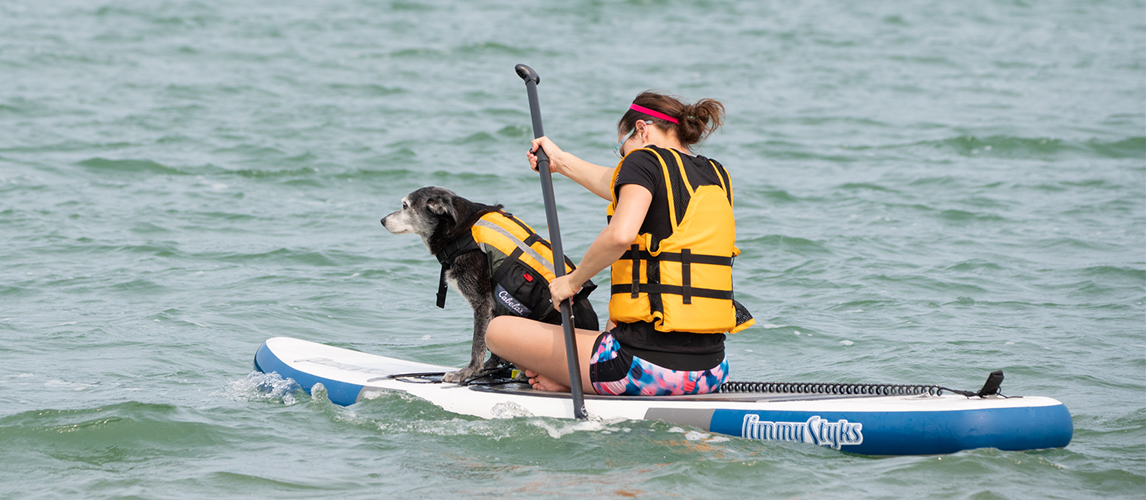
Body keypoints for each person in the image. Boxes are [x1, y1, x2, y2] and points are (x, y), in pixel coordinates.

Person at [485, 91, 753, 396]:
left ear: (641, 129)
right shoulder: (716, 174)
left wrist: (571, 283)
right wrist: (559, 161)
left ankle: (572, 381)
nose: (624, 159)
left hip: (641, 370)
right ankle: (570, 378)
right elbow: (613, 182)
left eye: (621, 148)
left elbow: (621, 235)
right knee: (617, 318)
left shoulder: (642, 160)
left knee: (497, 331)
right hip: (711, 371)